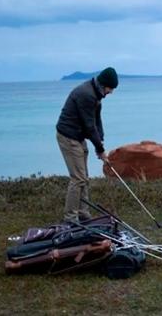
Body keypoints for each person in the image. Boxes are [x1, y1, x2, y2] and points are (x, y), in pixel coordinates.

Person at [56, 67, 118, 222]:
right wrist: (100, 150)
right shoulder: (87, 95)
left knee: (84, 178)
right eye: (111, 89)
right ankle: (71, 218)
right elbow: (89, 126)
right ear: (104, 85)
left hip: (78, 136)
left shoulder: (96, 95)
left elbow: (97, 120)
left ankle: (84, 214)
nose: (111, 93)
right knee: (78, 179)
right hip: (68, 136)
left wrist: (100, 140)